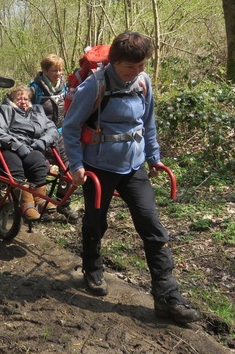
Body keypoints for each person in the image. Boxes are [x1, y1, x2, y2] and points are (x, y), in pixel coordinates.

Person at [62, 31, 200, 323]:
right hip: (98, 167)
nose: (136, 73)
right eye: (129, 68)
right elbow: (71, 127)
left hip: (134, 166)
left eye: (141, 67)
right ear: (114, 62)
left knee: (152, 226)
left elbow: (147, 122)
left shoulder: (143, 83)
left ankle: (166, 295)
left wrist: (154, 157)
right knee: (96, 221)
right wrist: (75, 165)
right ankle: (92, 267)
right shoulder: (94, 85)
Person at [0, 84, 59, 221]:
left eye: (25, 98)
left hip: (32, 146)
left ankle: (41, 201)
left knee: (38, 162)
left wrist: (43, 141)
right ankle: (26, 204)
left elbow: (52, 130)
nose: (23, 101)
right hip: (9, 147)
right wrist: (16, 145)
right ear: (12, 99)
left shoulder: (37, 111)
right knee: (15, 166)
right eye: (19, 98)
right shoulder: (4, 110)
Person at [30, 54, 80, 223]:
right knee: (40, 170)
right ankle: (39, 205)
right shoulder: (34, 89)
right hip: (40, 136)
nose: (59, 73)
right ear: (45, 70)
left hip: (61, 134)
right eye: (54, 70)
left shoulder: (65, 87)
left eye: (60, 69)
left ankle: (63, 202)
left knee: (70, 168)